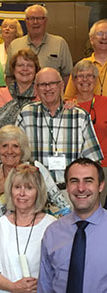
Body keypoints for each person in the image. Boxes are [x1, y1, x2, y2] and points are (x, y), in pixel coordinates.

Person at [16, 67, 103, 188]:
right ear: (36, 88)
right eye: (42, 85)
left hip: (71, 191)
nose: (48, 88)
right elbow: (16, 154)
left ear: (62, 85)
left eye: (52, 83)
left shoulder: (79, 116)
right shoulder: (26, 114)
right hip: (36, 190)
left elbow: (93, 161)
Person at [0, 163, 56, 293]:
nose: (22, 193)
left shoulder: (52, 226)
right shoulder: (0, 225)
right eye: (17, 187)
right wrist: (13, 287)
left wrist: (42, 284)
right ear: (10, 190)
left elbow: (60, 270)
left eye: (29, 188)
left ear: (38, 191)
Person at [0, 125, 70, 232]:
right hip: (5, 243)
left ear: (22, 149)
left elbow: (64, 209)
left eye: (15, 146)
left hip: (39, 238)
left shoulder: (36, 169)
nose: (9, 151)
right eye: (4, 145)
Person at [38, 158, 107, 293]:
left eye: (88, 181)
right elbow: (45, 285)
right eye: (74, 181)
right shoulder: (53, 232)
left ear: (101, 186)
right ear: (67, 187)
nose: (81, 188)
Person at [70, 59, 107, 205]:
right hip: (76, 167)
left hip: (104, 166)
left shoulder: (105, 103)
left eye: (90, 76)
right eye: (80, 76)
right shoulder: (67, 106)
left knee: (98, 208)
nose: (85, 80)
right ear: (73, 80)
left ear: (96, 80)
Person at [5, 4, 73, 85]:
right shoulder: (15, 45)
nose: (35, 22)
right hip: (21, 96)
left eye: (39, 18)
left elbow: (67, 76)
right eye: (31, 18)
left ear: (46, 20)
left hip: (50, 95)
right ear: (26, 21)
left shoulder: (60, 43)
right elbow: (9, 77)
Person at [0, 49, 39, 136]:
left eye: (30, 65)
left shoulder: (42, 93)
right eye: (20, 65)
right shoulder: (3, 92)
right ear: (13, 69)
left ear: (36, 70)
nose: (25, 69)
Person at [65, 19, 107, 99]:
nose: (104, 37)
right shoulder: (80, 66)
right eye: (100, 33)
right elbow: (68, 98)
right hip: (86, 111)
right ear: (91, 39)